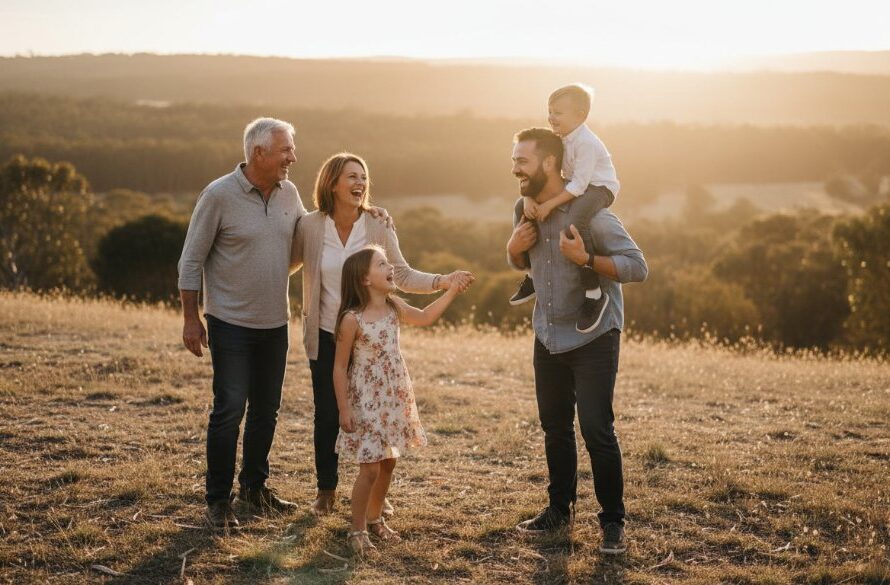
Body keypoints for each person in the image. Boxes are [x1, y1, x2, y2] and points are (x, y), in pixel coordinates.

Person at [290, 152, 474, 517]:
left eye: (364, 177)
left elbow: (401, 274)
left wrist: (442, 281)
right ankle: (326, 490)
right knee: (328, 414)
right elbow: (287, 264)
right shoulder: (309, 226)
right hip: (327, 333)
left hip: (371, 340)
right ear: (331, 183)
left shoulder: (377, 223)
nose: (360, 183)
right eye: (351, 177)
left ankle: (375, 493)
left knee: (376, 414)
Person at [506, 128, 647, 554]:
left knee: (596, 429)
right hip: (547, 333)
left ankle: (612, 522)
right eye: (513, 160)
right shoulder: (523, 207)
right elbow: (520, 260)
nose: (515, 168)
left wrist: (584, 259)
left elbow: (637, 267)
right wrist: (512, 247)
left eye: (522, 161)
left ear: (549, 163)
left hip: (593, 335)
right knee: (554, 427)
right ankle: (558, 510)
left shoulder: (594, 216)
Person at [177, 117, 305, 531]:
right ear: (258, 153)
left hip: (275, 323)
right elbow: (191, 260)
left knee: (266, 410)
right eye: (285, 150)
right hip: (229, 322)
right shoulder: (218, 195)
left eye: (292, 149)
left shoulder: (291, 194)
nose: (292, 157)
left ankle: (254, 488)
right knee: (230, 409)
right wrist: (191, 319)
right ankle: (218, 501)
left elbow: (305, 243)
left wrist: (360, 214)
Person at [332, 245, 469, 555]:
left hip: (393, 396)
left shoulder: (393, 307)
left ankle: (375, 517)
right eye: (381, 264)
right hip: (366, 400)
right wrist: (344, 407)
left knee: (389, 461)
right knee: (369, 468)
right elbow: (340, 367)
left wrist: (451, 291)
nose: (389, 266)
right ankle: (357, 530)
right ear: (365, 279)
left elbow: (424, 317)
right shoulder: (352, 319)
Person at [510, 84, 621, 334]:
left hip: (598, 188)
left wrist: (548, 204)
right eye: (550, 111)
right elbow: (545, 172)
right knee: (521, 209)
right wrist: (529, 198)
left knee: (575, 221)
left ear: (580, 116)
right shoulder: (560, 139)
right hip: (576, 186)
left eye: (558, 113)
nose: (551, 118)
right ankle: (532, 275)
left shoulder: (586, 143)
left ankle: (593, 293)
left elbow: (580, 186)